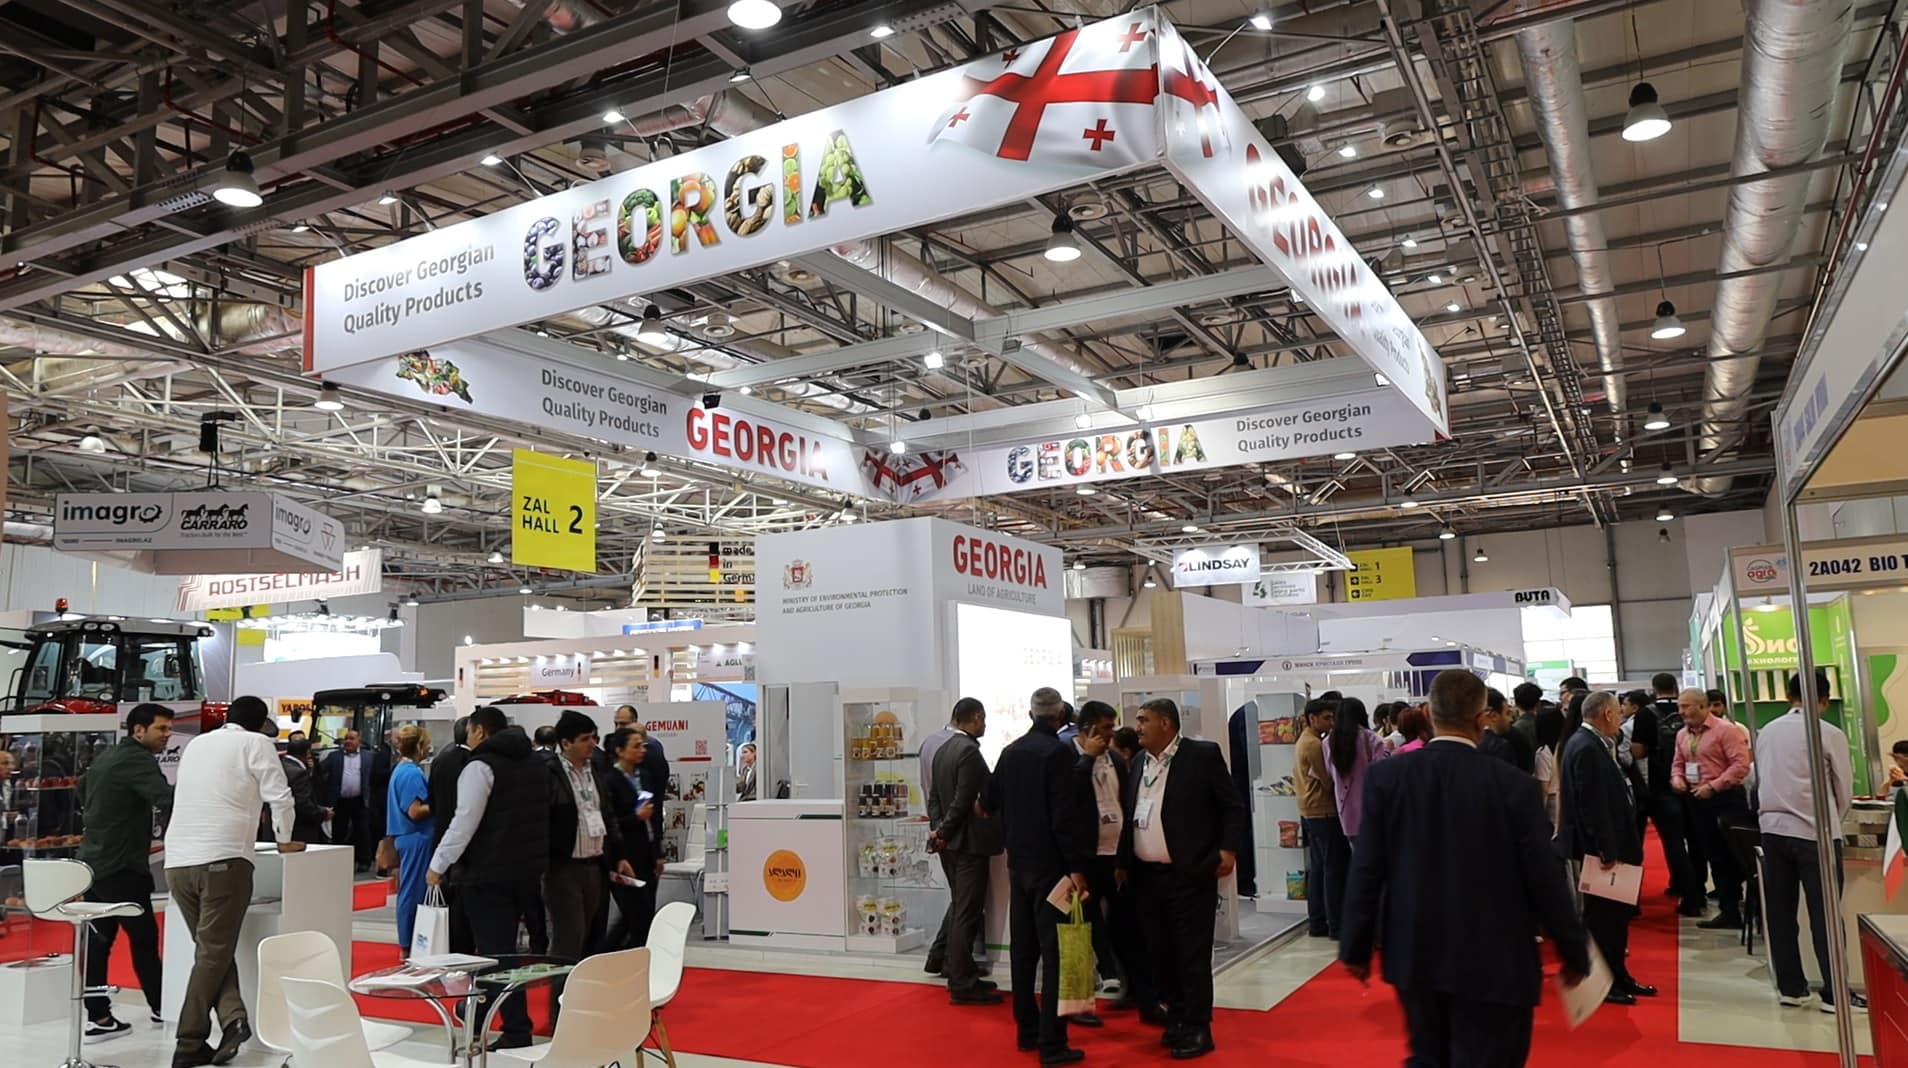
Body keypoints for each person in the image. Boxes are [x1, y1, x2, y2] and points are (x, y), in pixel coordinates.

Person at [1340, 670, 1591, 1068]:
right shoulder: (1513, 785)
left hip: (1415, 950)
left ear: (1430, 714)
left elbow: (1367, 867)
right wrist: (1573, 948)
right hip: (1496, 956)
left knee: (1429, 1053)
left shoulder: (1387, 777)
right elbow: (1543, 877)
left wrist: (1354, 945)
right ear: (1481, 719)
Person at [165, 695, 299, 1068]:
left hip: (177, 862)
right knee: (213, 953)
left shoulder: (197, 744)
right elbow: (280, 797)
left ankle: (233, 1020)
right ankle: (189, 1041)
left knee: (212, 951)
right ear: (261, 723)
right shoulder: (256, 743)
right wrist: (285, 839)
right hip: (224, 858)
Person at [1118, 696, 1246, 1060]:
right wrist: (1124, 862)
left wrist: (1228, 850)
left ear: (1166, 723)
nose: (1137, 727)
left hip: (1189, 874)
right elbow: (1131, 814)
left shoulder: (1201, 755)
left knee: (1191, 955)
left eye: (1144, 720)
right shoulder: (1139, 761)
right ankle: (1176, 1018)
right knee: (1160, 953)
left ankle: (1198, 1026)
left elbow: (1231, 806)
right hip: (1146, 877)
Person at [427, 706, 549, 1050]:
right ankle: (480, 1012)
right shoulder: (534, 763)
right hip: (526, 870)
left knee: (496, 954)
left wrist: (438, 865)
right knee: (505, 951)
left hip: (487, 872)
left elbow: (463, 823)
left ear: (479, 731)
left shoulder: (480, 767)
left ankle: (515, 1029)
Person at [1756, 669, 1863, 1013]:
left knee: (1781, 913)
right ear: (1824, 700)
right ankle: (1834, 993)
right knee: (1826, 914)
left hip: (1772, 830)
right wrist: (1833, 819)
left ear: (1789, 697)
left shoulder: (1766, 731)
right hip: (1815, 833)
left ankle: (1791, 987)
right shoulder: (1828, 732)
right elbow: (1843, 788)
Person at [991, 687, 1085, 1066]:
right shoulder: (1058, 753)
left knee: (1024, 952)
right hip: (1052, 867)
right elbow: (1064, 816)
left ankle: (1027, 1030)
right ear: (1060, 715)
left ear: (1031, 714)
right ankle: (1052, 1041)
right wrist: (1076, 867)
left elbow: (988, 801)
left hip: (1019, 864)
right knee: (1057, 953)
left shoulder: (1010, 752)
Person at [76, 703, 174, 1038]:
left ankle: (98, 1016)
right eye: (161, 728)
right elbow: (165, 798)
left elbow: (81, 789)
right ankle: (162, 1006)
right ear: (138, 730)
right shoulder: (137, 759)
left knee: (99, 942)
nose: (167, 735)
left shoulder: (108, 756)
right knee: (143, 938)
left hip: (94, 862)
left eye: (169, 728)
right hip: (121, 865)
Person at [1557, 691, 1653, 1004]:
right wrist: (1605, 850)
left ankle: (1619, 976)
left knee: (1617, 916)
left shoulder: (1593, 743)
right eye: (1618, 713)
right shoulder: (1585, 746)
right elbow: (1591, 806)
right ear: (1607, 714)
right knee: (1604, 920)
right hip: (1604, 852)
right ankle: (1604, 984)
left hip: (1615, 845)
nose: (1621, 720)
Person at [927, 697, 1004, 1006]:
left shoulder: (943, 749)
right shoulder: (969, 752)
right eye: (983, 719)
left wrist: (938, 830)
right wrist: (944, 831)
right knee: (967, 912)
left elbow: (934, 797)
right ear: (976, 717)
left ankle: (958, 969)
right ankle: (962, 981)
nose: (985, 725)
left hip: (949, 844)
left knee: (961, 907)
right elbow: (963, 800)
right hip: (968, 844)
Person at [542, 710, 633, 961]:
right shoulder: (549, 773)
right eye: (585, 739)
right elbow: (542, 819)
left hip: (596, 865)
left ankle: (584, 985)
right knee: (569, 937)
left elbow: (607, 815)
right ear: (566, 743)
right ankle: (560, 987)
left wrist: (619, 855)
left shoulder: (597, 769)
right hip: (563, 867)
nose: (592, 743)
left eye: (594, 737)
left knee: (592, 938)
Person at [1071, 701, 1135, 1010]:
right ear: (1088, 728)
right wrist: (1087, 759)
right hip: (1085, 856)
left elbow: (1126, 802)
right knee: (1084, 920)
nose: (1112, 733)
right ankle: (1098, 978)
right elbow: (1067, 802)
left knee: (1123, 921)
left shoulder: (1116, 759)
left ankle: (1127, 981)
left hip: (1116, 853)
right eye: (1106, 727)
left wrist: (1125, 855)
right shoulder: (1068, 757)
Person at [1673, 686, 1752, 929]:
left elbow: (1741, 765)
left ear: (1702, 706)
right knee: (1713, 856)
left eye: (1686, 706)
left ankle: (1738, 906)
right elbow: (1678, 762)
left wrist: (1714, 786)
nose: (1681, 711)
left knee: (1731, 856)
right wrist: (1677, 779)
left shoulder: (1726, 731)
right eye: (1679, 706)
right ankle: (1729, 910)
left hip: (1725, 799)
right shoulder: (1682, 735)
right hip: (1696, 800)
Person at [1636, 673, 1702, 914]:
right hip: (1694, 783)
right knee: (1695, 840)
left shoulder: (1646, 714)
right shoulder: (1690, 710)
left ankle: (1685, 891)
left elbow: (1638, 751)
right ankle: (1699, 892)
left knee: (1673, 841)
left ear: (1654, 690)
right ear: (1675, 687)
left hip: (1662, 785)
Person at [604, 726, 662, 951]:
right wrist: (635, 818)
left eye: (643, 745)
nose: (642, 750)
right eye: (636, 746)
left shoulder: (644, 776)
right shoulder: (610, 780)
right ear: (620, 750)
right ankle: (615, 952)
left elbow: (653, 817)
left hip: (647, 850)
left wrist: (658, 852)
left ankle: (618, 951)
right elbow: (611, 822)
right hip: (625, 854)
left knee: (643, 912)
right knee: (635, 913)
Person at [1295, 698, 1349, 940]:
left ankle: (1318, 922)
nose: (1331, 722)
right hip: (1323, 810)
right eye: (1326, 718)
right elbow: (1327, 781)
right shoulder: (1314, 745)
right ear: (1312, 718)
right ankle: (1333, 924)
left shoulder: (1305, 740)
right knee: (1333, 868)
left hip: (1310, 810)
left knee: (1319, 868)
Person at [919, 710, 964, 979]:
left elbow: (930, 792)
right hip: (954, 831)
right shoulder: (958, 747)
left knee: (959, 897)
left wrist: (937, 827)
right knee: (963, 898)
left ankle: (939, 957)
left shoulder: (929, 743)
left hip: (940, 828)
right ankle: (947, 960)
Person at [387, 725, 435, 950]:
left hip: (407, 837)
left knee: (408, 890)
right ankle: (408, 942)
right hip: (416, 837)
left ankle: (408, 941)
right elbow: (414, 811)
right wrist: (441, 804)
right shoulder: (411, 774)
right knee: (413, 892)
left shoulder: (401, 770)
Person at [319, 729, 375, 870]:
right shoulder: (334, 756)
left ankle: (364, 861)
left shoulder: (368, 757)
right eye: (346, 738)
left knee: (362, 831)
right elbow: (320, 771)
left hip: (360, 800)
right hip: (339, 801)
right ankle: (338, 861)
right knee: (338, 831)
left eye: (352, 738)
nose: (348, 741)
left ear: (359, 741)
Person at [280, 736, 329, 845]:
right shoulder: (299, 772)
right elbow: (302, 803)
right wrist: (323, 813)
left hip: (279, 824)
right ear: (307, 752)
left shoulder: (278, 766)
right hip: (300, 828)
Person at [1480, 688, 1535, 773]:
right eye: (1507, 713)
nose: (1510, 719)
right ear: (1494, 716)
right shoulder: (1502, 747)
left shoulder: (1468, 745)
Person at [1534, 704, 1565, 831]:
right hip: (1565, 796)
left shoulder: (1543, 752)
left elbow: (1544, 788)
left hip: (1552, 801)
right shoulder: (1566, 745)